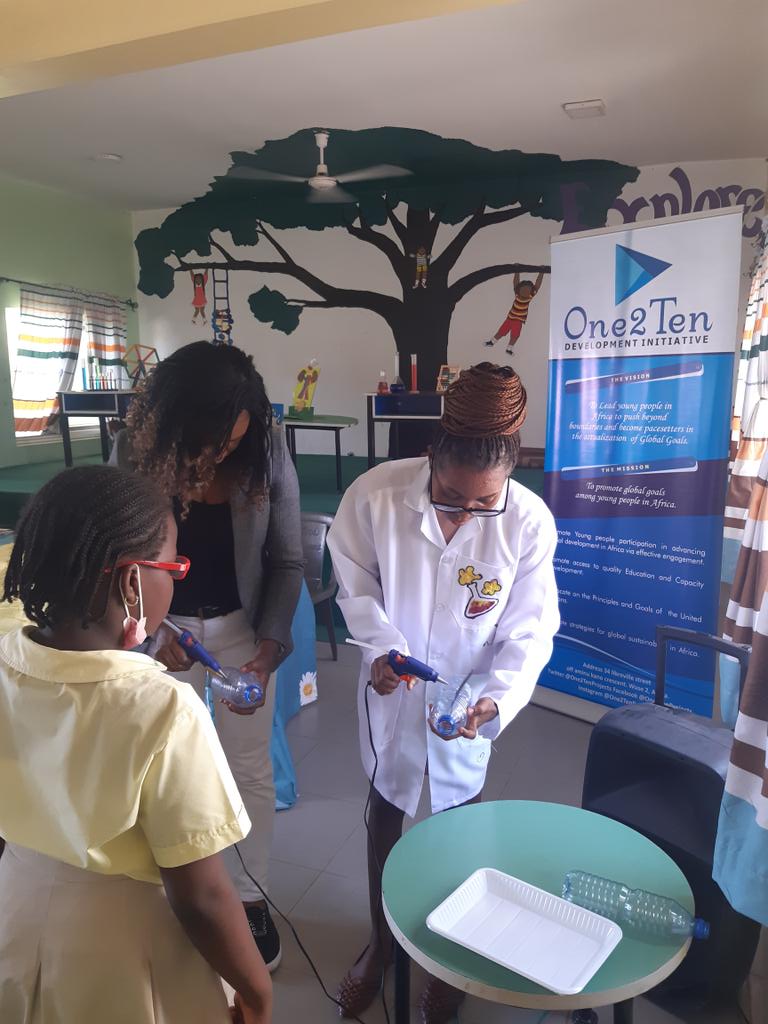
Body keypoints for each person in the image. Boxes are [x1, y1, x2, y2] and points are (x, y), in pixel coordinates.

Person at [327, 363, 559, 1023]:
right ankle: (381, 945)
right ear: (431, 456)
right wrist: (379, 648)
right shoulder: (375, 496)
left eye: (486, 502)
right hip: (393, 695)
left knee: (460, 823)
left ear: (511, 473)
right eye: (452, 497)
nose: (468, 513)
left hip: (467, 702)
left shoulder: (528, 523)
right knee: (384, 811)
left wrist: (498, 699)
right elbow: (354, 583)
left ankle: (453, 957)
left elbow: (529, 629)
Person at [0, 466, 272, 1024]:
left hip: (15, 915)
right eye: (173, 567)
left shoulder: (6, 662)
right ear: (131, 584)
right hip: (122, 949)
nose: (176, 582)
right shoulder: (164, 707)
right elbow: (200, 897)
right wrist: (256, 991)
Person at [112, 341, 304, 972]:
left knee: (249, 770)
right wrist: (148, 634)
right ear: (176, 420)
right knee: (161, 769)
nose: (222, 453)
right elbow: (119, 560)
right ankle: (179, 894)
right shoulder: (134, 453)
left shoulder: (266, 451)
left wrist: (267, 653)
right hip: (160, 634)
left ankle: (250, 900)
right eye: (211, 440)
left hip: (242, 632)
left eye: (234, 440)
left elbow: (288, 560)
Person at [484, 271, 545, 354]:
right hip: (509, 319)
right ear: (519, 290)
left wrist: (541, 273)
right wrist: (517, 271)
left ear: (531, 291)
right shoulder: (517, 295)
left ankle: (509, 348)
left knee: (515, 335)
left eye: (528, 290)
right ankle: (492, 342)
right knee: (501, 331)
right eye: (523, 289)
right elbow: (515, 282)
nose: (525, 291)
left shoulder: (529, 297)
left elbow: (537, 285)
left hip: (518, 321)